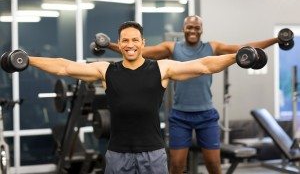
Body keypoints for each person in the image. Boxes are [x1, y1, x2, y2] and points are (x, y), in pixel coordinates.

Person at [14, 21, 240, 174]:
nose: (130, 45)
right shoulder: (106, 70)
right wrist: (28, 60)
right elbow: (64, 67)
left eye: (134, 40)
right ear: (119, 44)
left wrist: (238, 56)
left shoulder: (162, 69)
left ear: (143, 43)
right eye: (125, 40)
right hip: (117, 154)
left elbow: (203, 65)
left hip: (153, 154)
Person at [106, 16, 280, 174]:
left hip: (206, 114)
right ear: (183, 29)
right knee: (176, 166)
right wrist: (110, 45)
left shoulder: (212, 47)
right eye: (189, 27)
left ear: (201, 30)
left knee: (213, 165)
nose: (193, 31)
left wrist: (277, 39)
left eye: (197, 28)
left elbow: (243, 49)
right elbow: (143, 51)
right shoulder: (172, 47)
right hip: (180, 115)